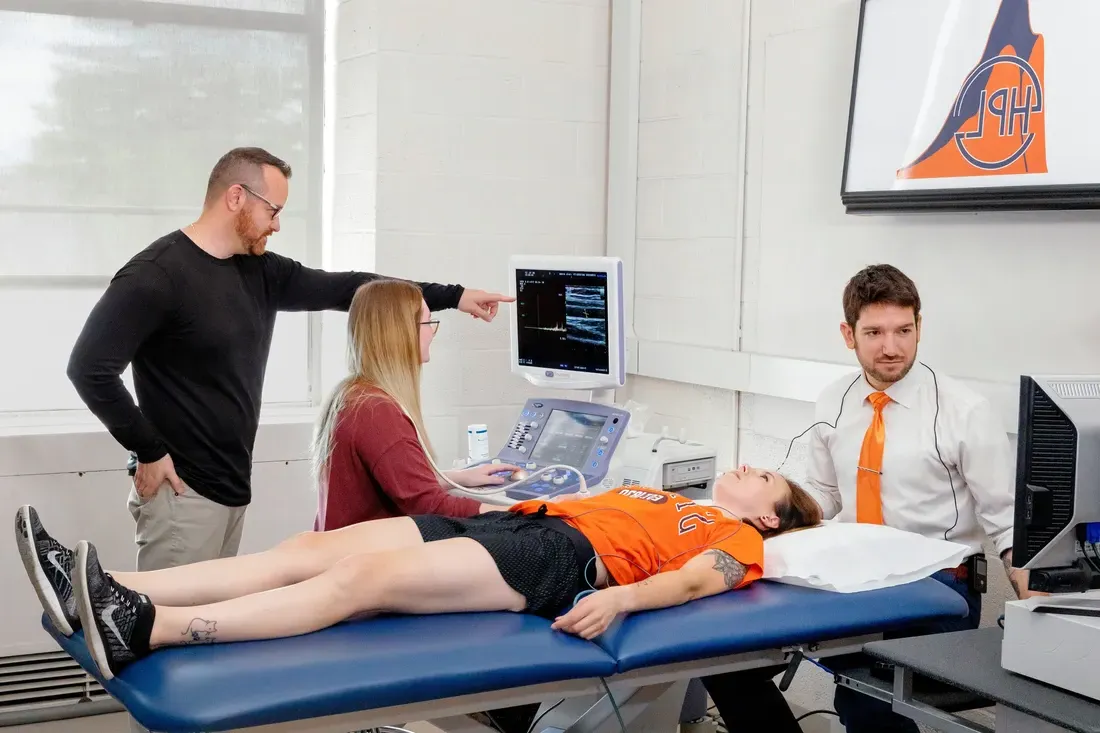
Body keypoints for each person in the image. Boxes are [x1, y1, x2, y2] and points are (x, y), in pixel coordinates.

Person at [65, 146, 513, 576]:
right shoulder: (156, 276)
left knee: (206, 629)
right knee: (167, 628)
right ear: (236, 197)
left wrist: (454, 297)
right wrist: (149, 448)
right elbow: (89, 369)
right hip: (182, 492)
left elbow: (350, 287)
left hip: (230, 486)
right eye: (273, 211)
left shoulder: (259, 271)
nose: (276, 225)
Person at [15, 466, 822, 682]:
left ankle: (145, 627)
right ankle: (103, 580)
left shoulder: (730, 537)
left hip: (560, 561)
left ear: (771, 517)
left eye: (769, 479)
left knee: (360, 579)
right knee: (308, 545)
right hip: (522, 523)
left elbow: (690, 584)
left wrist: (617, 596)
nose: (750, 467)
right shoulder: (667, 491)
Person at [701, 264, 1031, 733]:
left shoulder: (964, 412)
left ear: (920, 327)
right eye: (874, 332)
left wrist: (1035, 612)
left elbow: (1008, 524)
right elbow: (822, 502)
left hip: (936, 587)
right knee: (724, 661)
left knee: (866, 698)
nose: (891, 347)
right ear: (848, 333)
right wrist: (744, 519)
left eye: (904, 330)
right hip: (855, 579)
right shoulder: (835, 399)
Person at [311, 278, 521, 531]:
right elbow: (431, 506)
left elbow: (399, 483)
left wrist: (457, 478)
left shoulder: (353, 395)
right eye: (428, 323)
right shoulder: (376, 412)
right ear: (400, 332)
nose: (432, 333)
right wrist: (528, 512)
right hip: (370, 560)